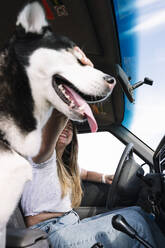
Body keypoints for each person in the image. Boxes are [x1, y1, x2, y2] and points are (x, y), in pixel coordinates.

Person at [21, 48, 165, 248]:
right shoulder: (39, 157)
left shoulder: (63, 167)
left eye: (70, 127)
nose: (65, 129)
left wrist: (105, 178)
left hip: (68, 224)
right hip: (50, 234)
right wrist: (72, 89)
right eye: (63, 125)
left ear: (74, 139)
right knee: (137, 224)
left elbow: (84, 172)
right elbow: (54, 126)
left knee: (138, 213)